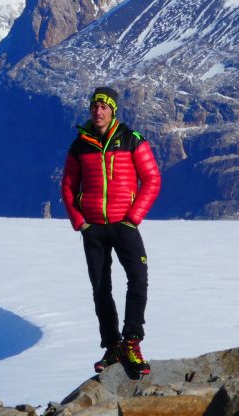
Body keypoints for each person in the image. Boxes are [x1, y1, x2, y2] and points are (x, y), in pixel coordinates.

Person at [61, 86, 161, 375]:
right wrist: (80, 222)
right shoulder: (80, 145)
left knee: (138, 280)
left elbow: (152, 179)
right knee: (101, 288)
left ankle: (132, 341)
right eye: (95, 106)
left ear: (113, 110)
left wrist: (134, 217)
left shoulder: (132, 140)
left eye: (104, 106)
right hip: (94, 229)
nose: (99, 111)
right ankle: (112, 346)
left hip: (124, 224)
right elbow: (68, 186)